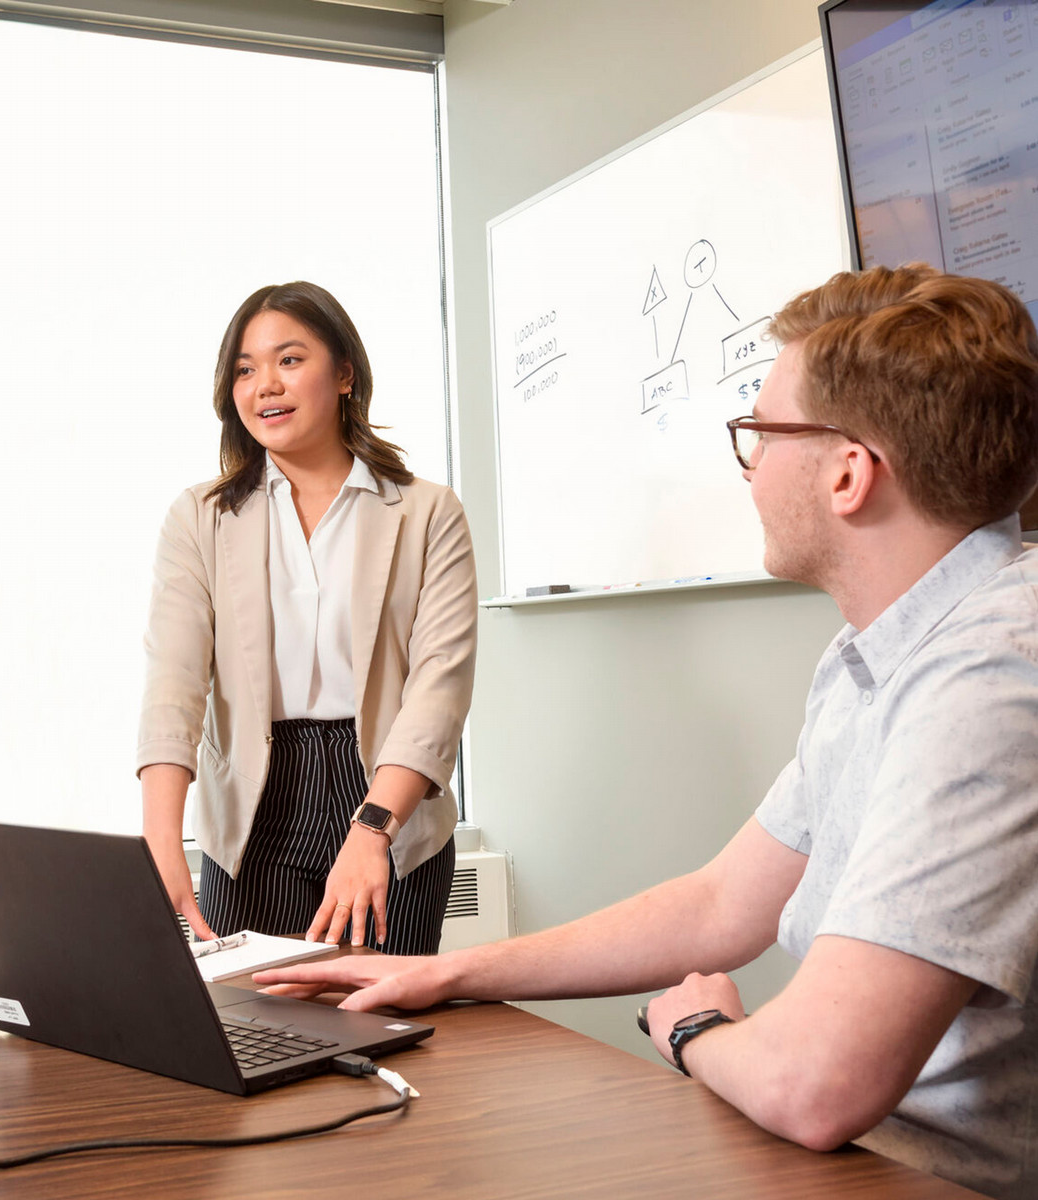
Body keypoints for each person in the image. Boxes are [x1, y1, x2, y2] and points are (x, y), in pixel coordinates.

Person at [258, 264, 1038, 1199]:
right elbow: (721, 905)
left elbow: (812, 1083)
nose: (749, 471)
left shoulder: (990, 680)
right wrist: (451, 971)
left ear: (847, 472)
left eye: (759, 435)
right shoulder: (877, 655)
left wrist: (697, 1031)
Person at [137, 281, 477, 955]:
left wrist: (374, 827)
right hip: (254, 804)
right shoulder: (199, 518)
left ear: (345, 373)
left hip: (389, 793)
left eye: (289, 360)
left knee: (382, 1020)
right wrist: (160, 839)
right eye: (245, 368)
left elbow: (440, 688)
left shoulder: (428, 513)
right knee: (254, 1028)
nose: (266, 384)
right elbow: (173, 685)